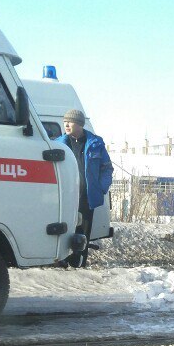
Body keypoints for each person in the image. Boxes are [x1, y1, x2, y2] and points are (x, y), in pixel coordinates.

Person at [55, 108, 113, 266]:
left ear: (79, 124)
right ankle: (63, 261)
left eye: (70, 121)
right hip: (66, 197)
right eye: (65, 121)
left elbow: (107, 168)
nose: (66, 124)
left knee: (83, 232)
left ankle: (79, 263)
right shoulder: (59, 143)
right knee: (67, 229)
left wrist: (100, 188)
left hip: (87, 197)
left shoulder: (95, 143)